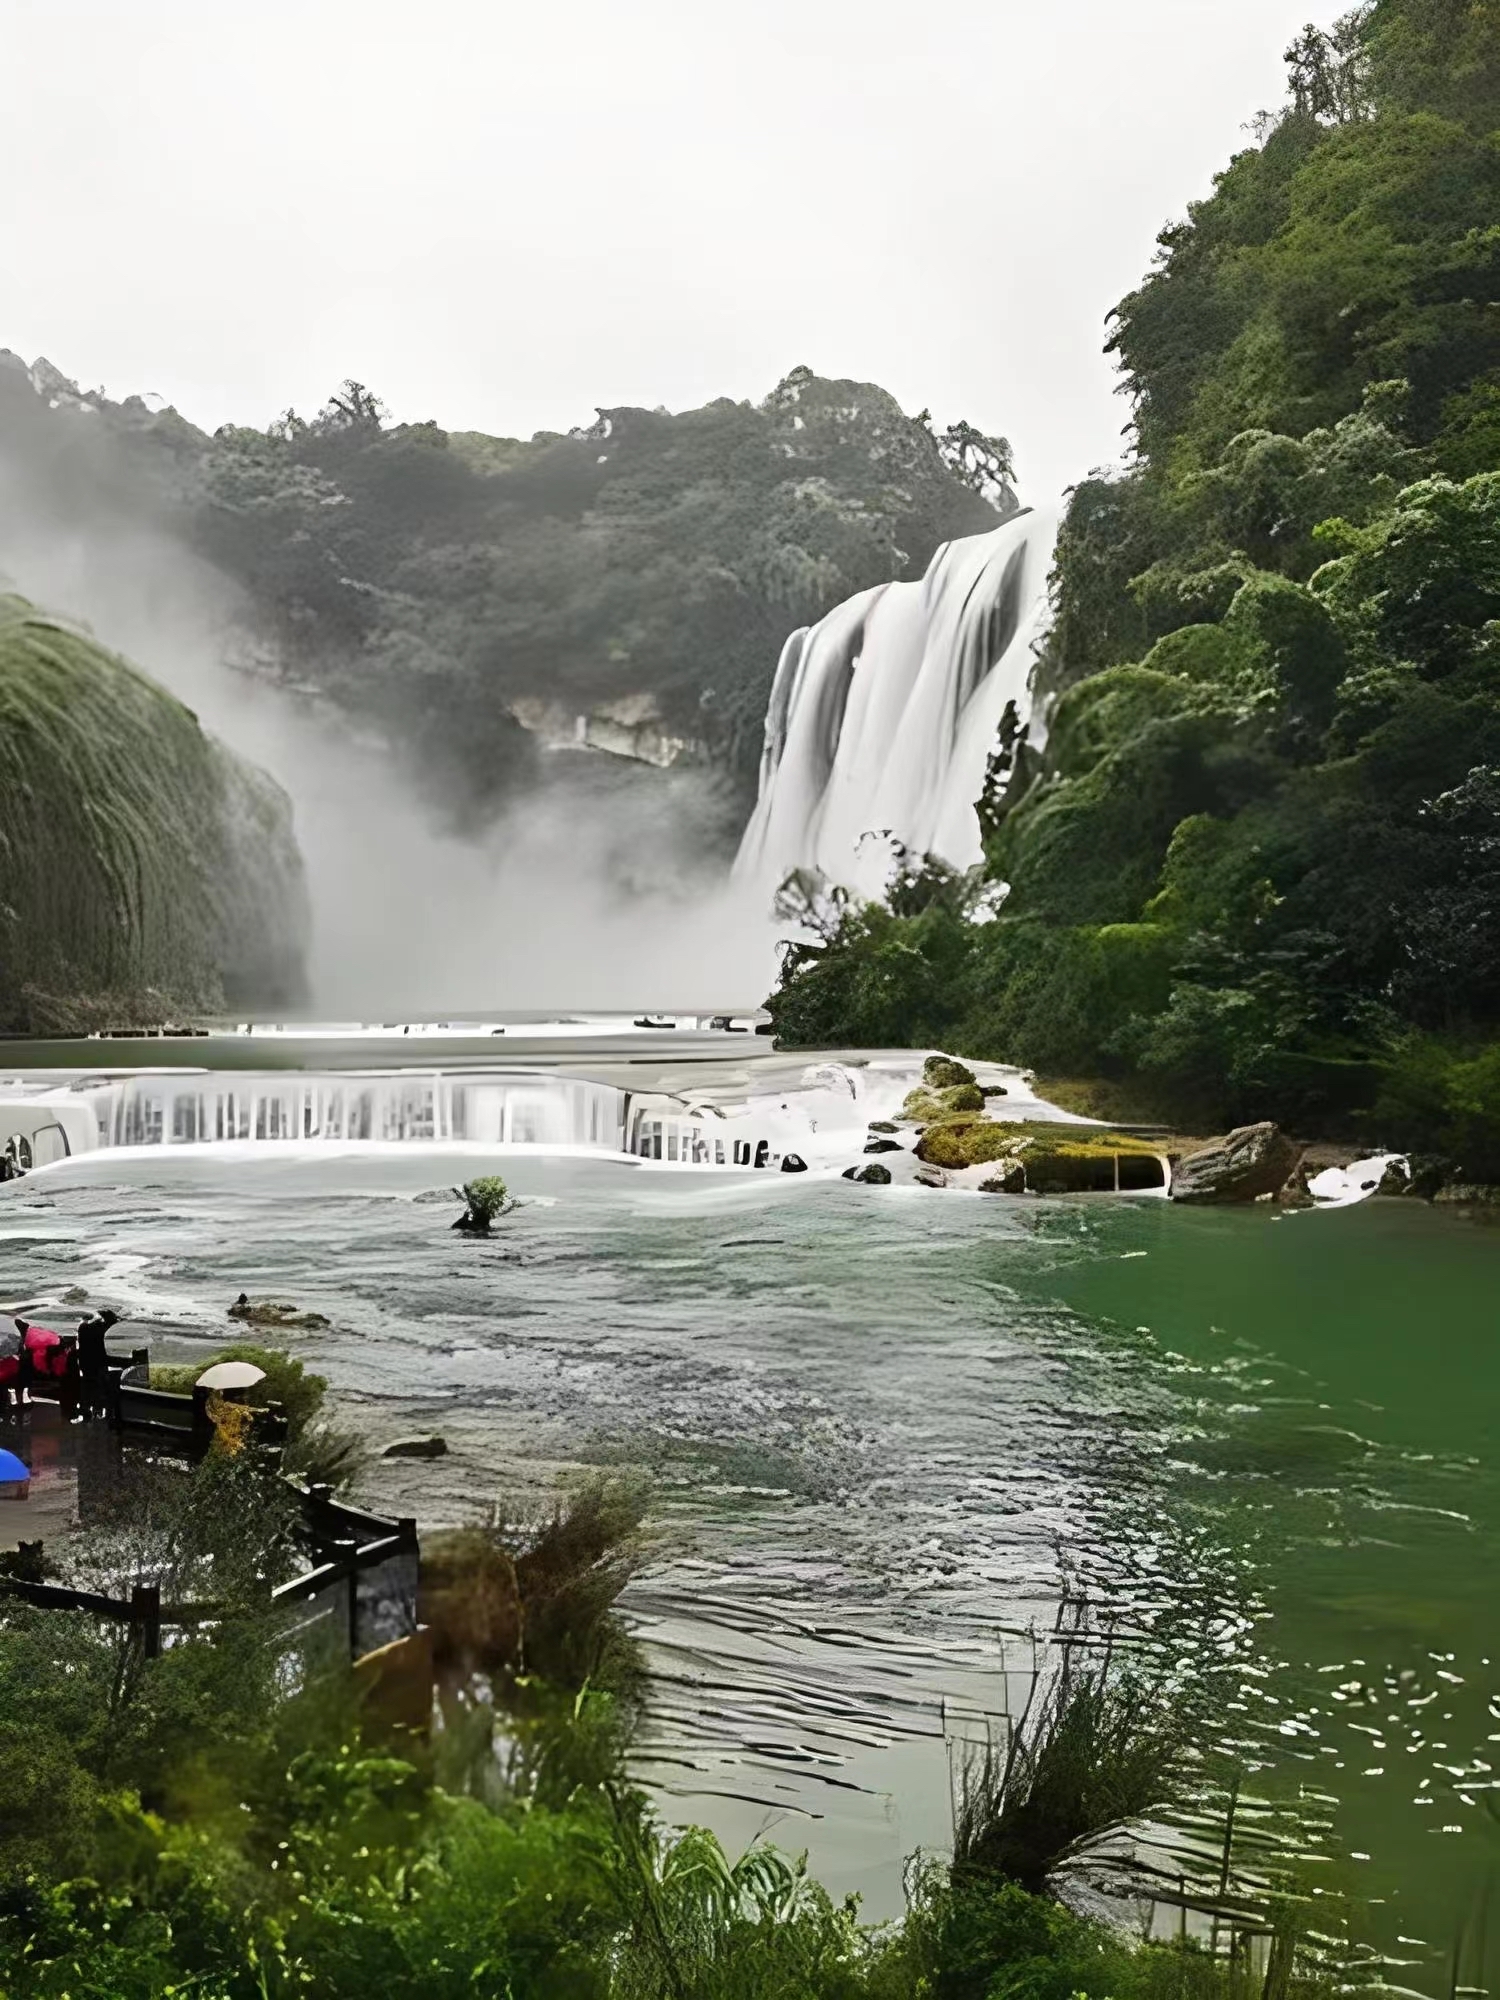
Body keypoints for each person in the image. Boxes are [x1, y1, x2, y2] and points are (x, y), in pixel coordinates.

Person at [76, 1308, 119, 1421]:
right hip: (99, 1363)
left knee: (88, 1385)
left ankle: (86, 1410)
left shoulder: (83, 1328)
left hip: (85, 1362)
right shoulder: (102, 1330)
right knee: (99, 1387)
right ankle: (97, 1410)